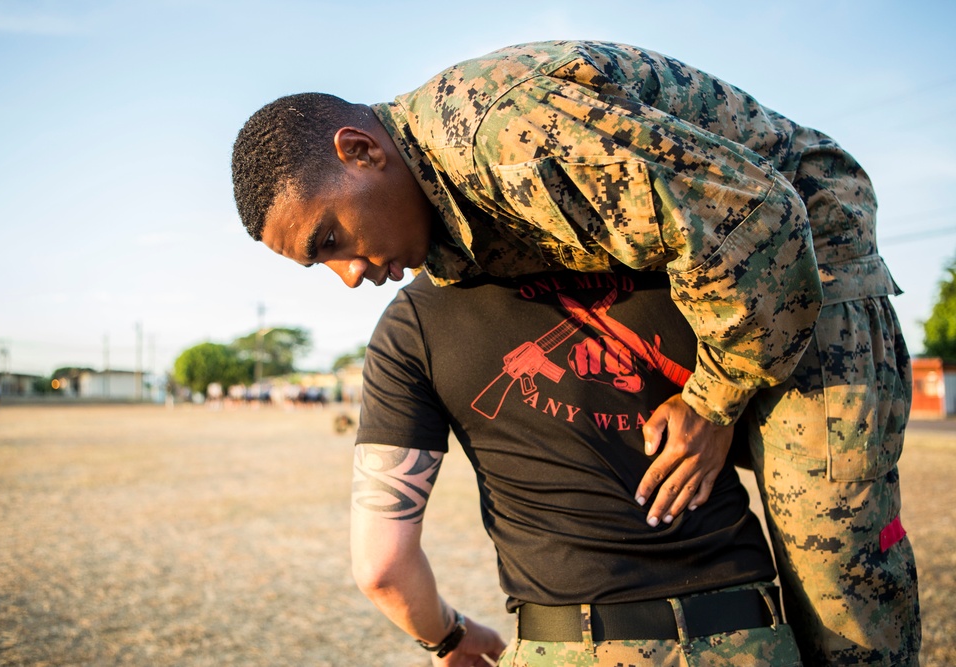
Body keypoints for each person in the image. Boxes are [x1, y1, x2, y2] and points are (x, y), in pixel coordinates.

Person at [231, 41, 919, 665]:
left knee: (839, 575)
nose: (347, 273)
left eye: (329, 240)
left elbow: (759, 220)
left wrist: (713, 403)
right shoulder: (446, 214)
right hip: (722, 282)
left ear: (361, 150)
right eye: (319, 265)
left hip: (809, 265)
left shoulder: (507, 139)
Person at [352, 265, 801, 666]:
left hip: (571, 645)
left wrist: (449, 636)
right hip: (749, 633)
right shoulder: (684, 263)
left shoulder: (415, 317)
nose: (351, 274)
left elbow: (382, 568)